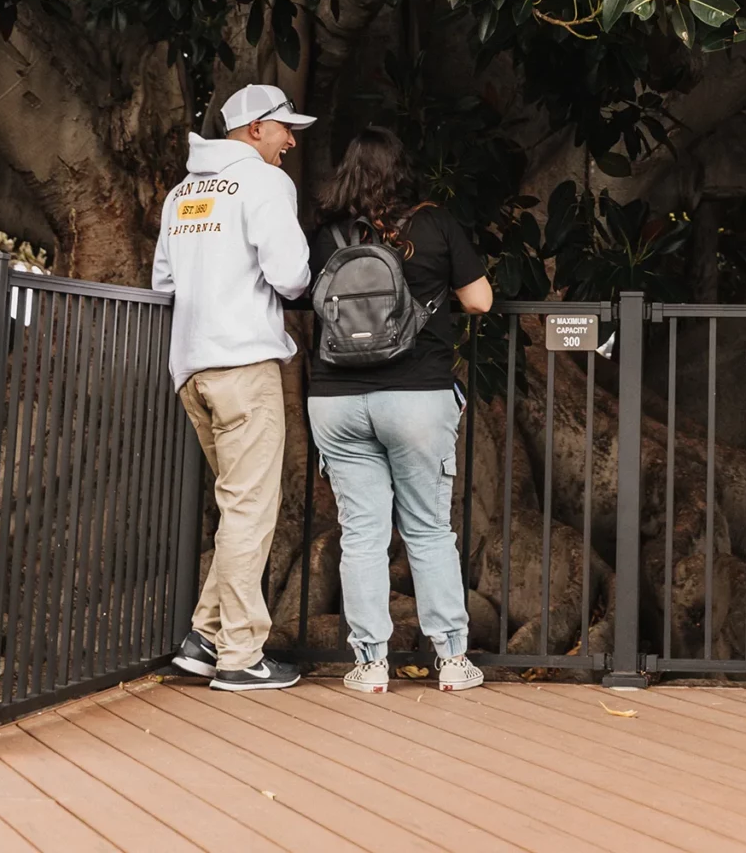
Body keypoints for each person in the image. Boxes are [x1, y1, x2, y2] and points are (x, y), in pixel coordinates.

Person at [305, 126, 493, 696]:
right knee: (428, 530)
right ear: (402, 170)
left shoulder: (327, 236)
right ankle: (453, 660)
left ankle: (369, 664)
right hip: (416, 395)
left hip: (335, 399)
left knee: (361, 534)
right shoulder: (436, 224)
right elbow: (479, 300)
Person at [153, 81, 315, 692]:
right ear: (254, 130)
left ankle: (203, 639)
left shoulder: (184, 191)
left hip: (191, 367)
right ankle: (242, 656)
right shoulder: (266, 183)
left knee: (235, 507)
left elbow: (164, 280)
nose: (290, 142)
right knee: (250, 509)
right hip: (245, 366)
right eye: (283, 129)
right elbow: (292, 276)